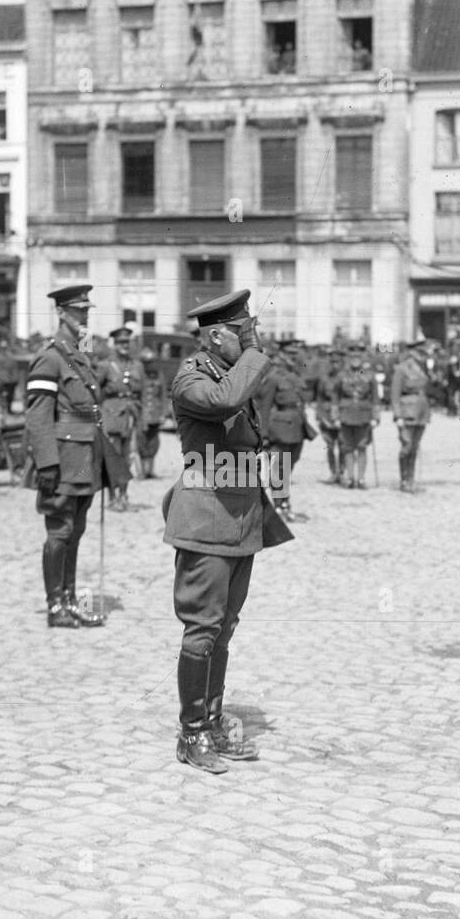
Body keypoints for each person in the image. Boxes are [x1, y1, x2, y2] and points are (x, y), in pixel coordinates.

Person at [162, 288, 292, 774]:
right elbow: (227, 400)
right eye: (242, 333)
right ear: (217, 336)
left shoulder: (224, 369)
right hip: (205, 515)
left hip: (238, 514)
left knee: (223, 629)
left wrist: (251, 347)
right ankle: (191, 733)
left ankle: (212, 722)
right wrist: (255, 351)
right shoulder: (192, 378)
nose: (251, 342)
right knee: (201, 630)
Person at [22, 284, 124, 628]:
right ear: (61, 313)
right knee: (60, 530)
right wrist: (47, 462)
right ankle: (55, 606)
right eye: (78, 311)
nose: (84, 316)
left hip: (83, 456)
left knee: (75, 529)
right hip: (62, 458)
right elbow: (38, 416)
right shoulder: (50, 357)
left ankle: (68, 599)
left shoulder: (79, 356)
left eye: (86, 311)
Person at [256, 339, 315, 522]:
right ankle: (279, 506)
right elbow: (264, 407)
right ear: (281, 354)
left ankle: (284, 504)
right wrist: (264, 435)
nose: (292, 357)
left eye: (295, 354)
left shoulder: (296, 376)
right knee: (278, 469)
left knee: (288, 469)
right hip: (279, 430)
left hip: (296, 429)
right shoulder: (273, 377)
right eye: (289, 354)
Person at [96, 327, 144, 511]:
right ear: (114, 345)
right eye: (120, 343)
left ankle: (124, 495)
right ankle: (112, 496)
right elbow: (96, 391)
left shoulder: (137, 365)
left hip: (131, 416)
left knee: (127, 459)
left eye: (127, 342)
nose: (124, 346)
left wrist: (141, 420)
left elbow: (140, 393)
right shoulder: (105, 366)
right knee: (112, 457)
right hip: (111, 417)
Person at [332, 341, 380, 489]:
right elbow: (335, 397)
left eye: (358, 357)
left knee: (362, 447)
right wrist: (335, 417)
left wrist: (375, 417)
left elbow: (375, 398)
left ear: (363, 358)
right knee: (347, 447)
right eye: (352, 357)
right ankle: (350, 478)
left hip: (364, 415)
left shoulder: (370, 376)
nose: (355, 360)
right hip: (346, 415)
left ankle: (361, 479)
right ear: (348, 358)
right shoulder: (341, 376)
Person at [392, 337, 432, 492]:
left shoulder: (424, 368)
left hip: (421, 412)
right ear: (412, 352)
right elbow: (395, 394)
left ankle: (411, 479)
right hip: (406, 412)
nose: (422, 355)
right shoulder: (402, 369)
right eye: (419, 352)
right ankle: (403, 479)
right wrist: (398, 415)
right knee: (406, 446)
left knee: (415, 447)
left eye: (423, 353)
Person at [313, 347, 344, 483]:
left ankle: (342, 472)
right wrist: (320, 416)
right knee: (330, 446)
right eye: (332, 362)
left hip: (343, 415)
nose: (335, 365)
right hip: (327, 415)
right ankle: (333, 472)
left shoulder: (347, 377)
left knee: (343, 445)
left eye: (337, 362)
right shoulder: (323, 378)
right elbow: (319, 398)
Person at [136, 348, 166, 479]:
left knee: (153, 443)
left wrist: (164, 413)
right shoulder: (137, 376)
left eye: (151, 362)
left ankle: (150, 471)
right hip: (141, 415)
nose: (149, 364)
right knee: (141, 444)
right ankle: (142, 471)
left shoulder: (158, 374)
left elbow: (163, 395)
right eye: (146, 362)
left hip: (155, 415)